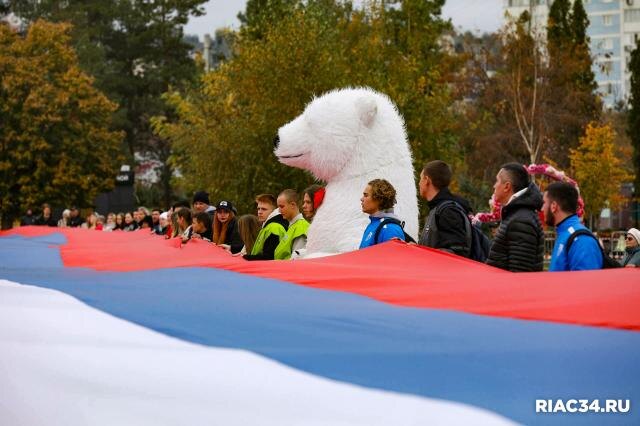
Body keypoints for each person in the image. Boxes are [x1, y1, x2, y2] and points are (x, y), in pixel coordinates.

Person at [486, 163, 544, 272]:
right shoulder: (517, 215)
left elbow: (520, 274)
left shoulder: (521, 221)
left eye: (497, 181)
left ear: (507, 186)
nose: (494, 186)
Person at [543, 181, 603, 271]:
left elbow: (588, 279)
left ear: (554, 206)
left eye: (544, 203)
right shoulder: (565, 234)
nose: (542, 208)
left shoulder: (581, 240)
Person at [418, 161, 472, 257]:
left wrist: (423, 254)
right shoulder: (438, 208)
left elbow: (456, 253)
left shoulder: (448, 211)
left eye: (420, 178)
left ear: (426, 180)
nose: (419, 183)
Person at [359, 179, 406, 249]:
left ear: (379, 199)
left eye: (366, 195)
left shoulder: (390, 229)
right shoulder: (374, 223)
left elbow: (394, 256)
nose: (361, 199)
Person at [244, 194, 288, 261]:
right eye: (258, 209)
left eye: (264, 209)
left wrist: (245, 258)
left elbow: (269, 258)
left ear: (274, 211)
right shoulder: (269, 225)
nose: (259, 212)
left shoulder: (274, 227)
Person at [274, 189, 310, 260]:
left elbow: (297, 260)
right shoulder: (293, 226)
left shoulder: (300, 227)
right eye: (278, 207)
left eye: (282, 206)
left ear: (293, 205)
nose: (279, 210)